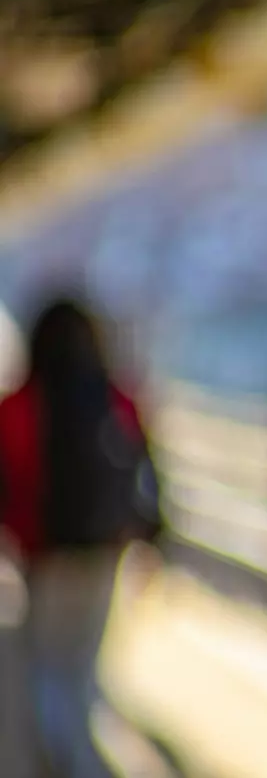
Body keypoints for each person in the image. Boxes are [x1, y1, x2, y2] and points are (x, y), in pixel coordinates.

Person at [0, 297, 163, 778]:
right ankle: (80, 758)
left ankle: (64, 761)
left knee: (48, 667)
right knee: (83, 669)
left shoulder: (17, 406)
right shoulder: (118, 397)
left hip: (45, 555)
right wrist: (155, 536)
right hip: (106, 551)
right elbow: (149, 471)